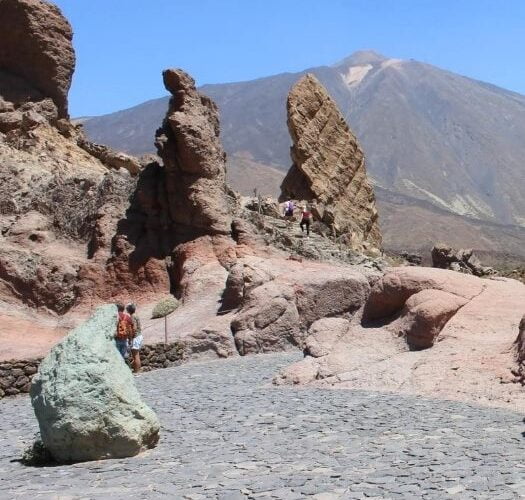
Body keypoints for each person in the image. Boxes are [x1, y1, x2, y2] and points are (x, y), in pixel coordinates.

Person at [126, 303, 143, 373]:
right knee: (137, 355)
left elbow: (134, 328)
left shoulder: (132, 317)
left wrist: (130, 338)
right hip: (139, 336)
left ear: (128, 310)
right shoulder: (136, 316)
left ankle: (137, 371)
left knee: (135, 356)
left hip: (135, 337)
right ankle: (138, 370)